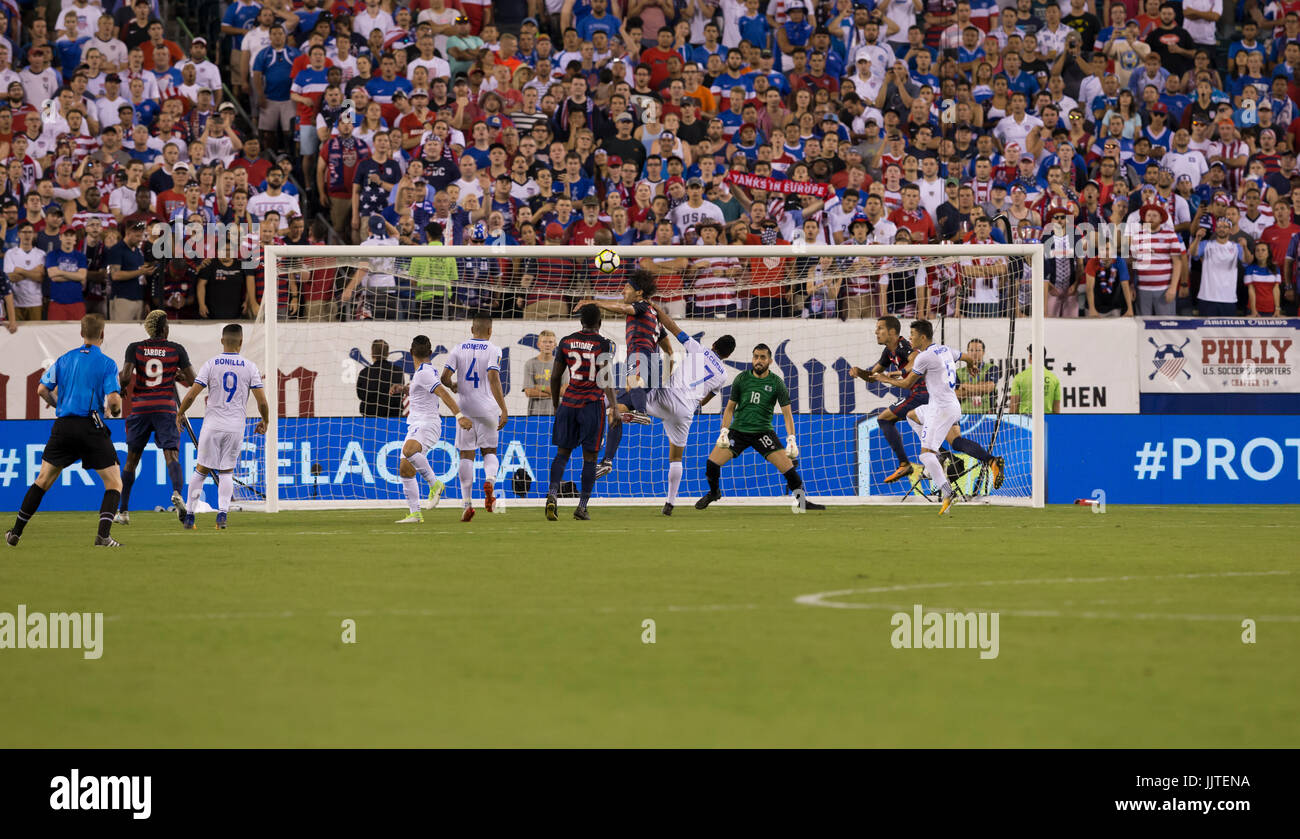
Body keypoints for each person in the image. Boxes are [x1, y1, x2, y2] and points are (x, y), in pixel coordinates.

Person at [6, 315, 125, 549]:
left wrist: (58, 402)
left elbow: (41, 389)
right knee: (113, 483)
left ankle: (15, 533)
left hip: (63, 427)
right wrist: (116, 409)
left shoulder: (64, 360)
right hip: (90, 426)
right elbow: (113, 400)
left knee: (43, 480)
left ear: (81, 334)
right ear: (102, 334)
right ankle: (103, 536)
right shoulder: (107, 363)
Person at [695, 342, 823, 514]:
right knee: (712, 463)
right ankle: (714, 492)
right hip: (738, 431)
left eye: (763, 357)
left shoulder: (777, 383)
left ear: (770, 361)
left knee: (788, 468)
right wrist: (724, 431)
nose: (758, 360)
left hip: (763, 432)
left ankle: (801, 501)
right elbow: (730, 408)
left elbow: (787, 414)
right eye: (756, 357)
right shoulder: (742, 379)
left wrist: (791, 438)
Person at [871, 320, 982, 516]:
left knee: (925, 455)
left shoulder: (924, 356)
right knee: (911, 416)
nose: (910, 337)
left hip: (940, 409)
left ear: (922, 337)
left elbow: (906, 384)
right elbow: (966, 357)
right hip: (948, 406)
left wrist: (885, 378)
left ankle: (947, 489)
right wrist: (973, 365)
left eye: (912, 334)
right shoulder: (943, 349)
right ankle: (940, 456)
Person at [636, 301, 735, 516]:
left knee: (635, 392)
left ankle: (635, 413)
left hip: (667, 396)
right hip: (685, 412)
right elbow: (705, 401)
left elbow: (672, 326)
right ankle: (670, 503)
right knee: (676, 458)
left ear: (714, 343)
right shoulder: (723, 376)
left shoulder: (697, 348)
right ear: (727, 356)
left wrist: (655, 309)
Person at [176, 324, 270, 530]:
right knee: (226, 471)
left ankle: (190, 516)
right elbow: (262, 402)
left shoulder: (211, 364)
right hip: (235, 427)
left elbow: (192, 394)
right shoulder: (250, 367)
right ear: (241, 342)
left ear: (222, 341)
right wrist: (266, 420)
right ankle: (222, 516)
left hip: (212, 425)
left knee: (200, 470)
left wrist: (180, 412)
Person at [116, 310, 197, 524]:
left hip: (141, 408)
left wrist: (122, 385)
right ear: (165, 329)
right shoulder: (176, 349)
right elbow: (193, 381)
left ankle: (123, 512)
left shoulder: (135, 348)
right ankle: (178, 493)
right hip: (166, 407)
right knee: (171, 456)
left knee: (131, 461)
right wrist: (176, 375)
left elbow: (125, 376)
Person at [586, 269, 666, 479]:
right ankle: (607, 462)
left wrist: (596, 303)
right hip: (652, 363)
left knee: (632, 372)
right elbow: (667, 345)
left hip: (641, 357)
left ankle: (641, 412)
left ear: (639, 293)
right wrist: (670, 364)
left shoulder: (642, 306)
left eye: (627, 287)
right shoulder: (655, 315)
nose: (623, 290)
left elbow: (622, 308)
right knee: (615, 412)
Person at [547, 303, 621, 521]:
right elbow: (605, 378)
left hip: (568, 403)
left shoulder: (566, 341)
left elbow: (554, 377)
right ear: (599, 322)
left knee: (562, 453)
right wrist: (615, 407)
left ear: (580, 321)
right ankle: (582, 506)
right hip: (591, 405)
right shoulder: (603, 343)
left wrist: (555, 405)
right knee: (590, 458)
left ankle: (552, 493)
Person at [389, 335, 467, 524]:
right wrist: (404, 389)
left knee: (408, 451)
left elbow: (441, 392)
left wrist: (459, 415)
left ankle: (435, 483)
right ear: (430, 353)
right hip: (418, 424)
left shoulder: (424, 373)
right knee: (405, 469)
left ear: (410, 353)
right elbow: (421, 390)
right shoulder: (426, 370)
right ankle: (415, 513)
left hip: (426, 424)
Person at [440, 313, 509, 522]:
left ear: (472, 329)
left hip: (465, 409)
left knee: (466, 455)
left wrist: (453, 386)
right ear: (490, 331)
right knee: (490, 451)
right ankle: (490, 481)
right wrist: (503, 409)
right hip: (488, 409)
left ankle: (467, 504)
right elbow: (493, 376)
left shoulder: (458, 349)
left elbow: (444, 377)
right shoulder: (493, 349)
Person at [848, 316, 926, 484]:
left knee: (884, 418)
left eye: (880, 328)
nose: (876, 332)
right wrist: (859, 371)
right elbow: (872, 376)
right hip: (915, 394)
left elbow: (916, 360)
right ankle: (947, 459)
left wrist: (895, 374)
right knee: (920, 426)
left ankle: (905, 464)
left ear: (892, 332)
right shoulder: (888, 352)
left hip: (921, 392)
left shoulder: (903, 345)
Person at [1008, 345, 1063, 414]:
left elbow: (1014, 407)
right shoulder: (1054, 379)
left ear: (1030, 357)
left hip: (1025, 421)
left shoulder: (1019, 377)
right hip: (1047, 420)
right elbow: (1056, 409)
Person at [356, 339, 404, 417]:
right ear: (387, 354)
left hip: (370, 415)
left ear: (372, 354)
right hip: (393, 414)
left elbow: (361, 395)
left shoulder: (365, 372)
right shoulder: (397, 371)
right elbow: (400, 393)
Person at [955, 338, 998, 414]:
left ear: (983, 352)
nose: (974, 353)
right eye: (971, 350)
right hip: (964, 415)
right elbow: (955, 394)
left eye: (978, 350)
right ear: (967, 352)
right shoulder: (959, 372)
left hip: (987, 415)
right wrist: (980, 389)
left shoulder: (991, 368)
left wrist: (965, 386)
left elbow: (988, 387)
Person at [524, 330, 559, 416]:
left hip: (556, 412)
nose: (547, 344)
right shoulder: (530, 364)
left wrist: (540, 387)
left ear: (555, 345)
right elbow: (529, 392)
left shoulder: (560, 364)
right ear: (538, 344)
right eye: (544, 342)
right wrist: (553, 393)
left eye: (550, 342)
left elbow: (564, 391)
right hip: (535, 413)